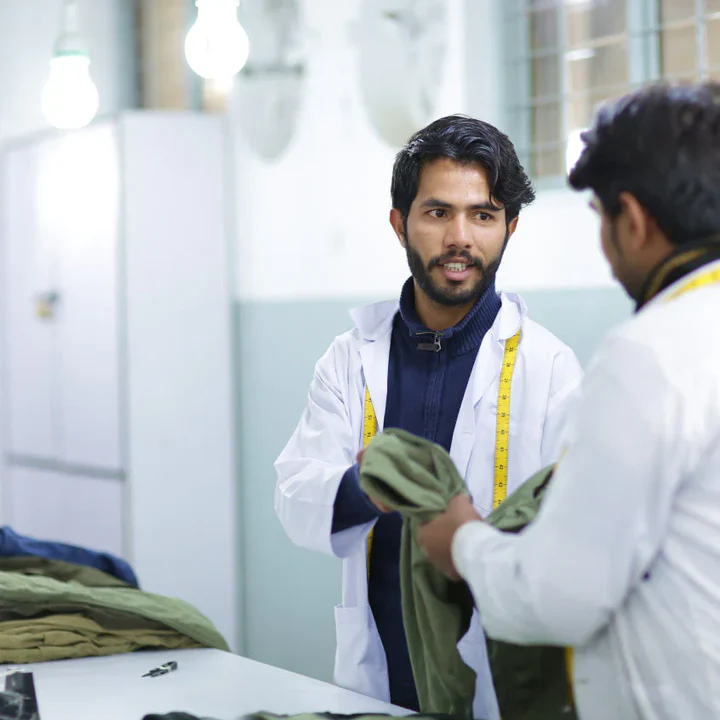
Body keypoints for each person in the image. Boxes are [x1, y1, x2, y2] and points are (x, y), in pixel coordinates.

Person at [417, 83, 720, 720]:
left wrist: (463, 543)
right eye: (438, 212)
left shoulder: (650, 354)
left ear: (632, 220)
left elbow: (560, 595)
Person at [274, 114, 583, 718]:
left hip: (498, 683)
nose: (459, 237)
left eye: (483, 215)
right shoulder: (349, 360)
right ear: (400, 224)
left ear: (510, 228)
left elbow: (571, 542)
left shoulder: (550, 370)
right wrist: (368, 487)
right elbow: (295, 496)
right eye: (438, 212)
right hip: (377, 681)